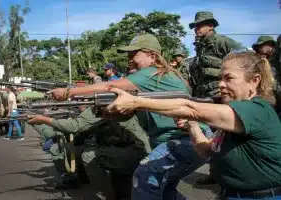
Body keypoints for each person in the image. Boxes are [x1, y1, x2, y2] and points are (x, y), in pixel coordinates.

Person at [36, 33, 211, 200]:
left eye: (134, 53)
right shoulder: (158, 78)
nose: (129, 58)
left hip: (185, 141)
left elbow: (109, 87)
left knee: (144, 178)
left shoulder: (150, 73)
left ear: (152, 56)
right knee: (165, 192)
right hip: (188, 141)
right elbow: (136, 114)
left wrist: (68, 92)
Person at [106, 49, 281, 199]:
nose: (221, 84)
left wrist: (136, 102)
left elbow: (191, 108)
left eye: (229, 78)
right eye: (221, 78)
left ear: (254, 81)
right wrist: (192, 125)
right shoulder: (233, 115)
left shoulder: (256, 109)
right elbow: (206, 150)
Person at [189, 10, 241, 185]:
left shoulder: (222, 42)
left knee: (227, 137)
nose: (196, 28)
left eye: (200, 25)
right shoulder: (200, 46)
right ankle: (216, 174)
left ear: (210, 26)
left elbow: (245, 59)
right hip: (206, 98)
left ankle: (232, 175)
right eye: (195, 25)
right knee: (214, 138)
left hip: (222, 97)